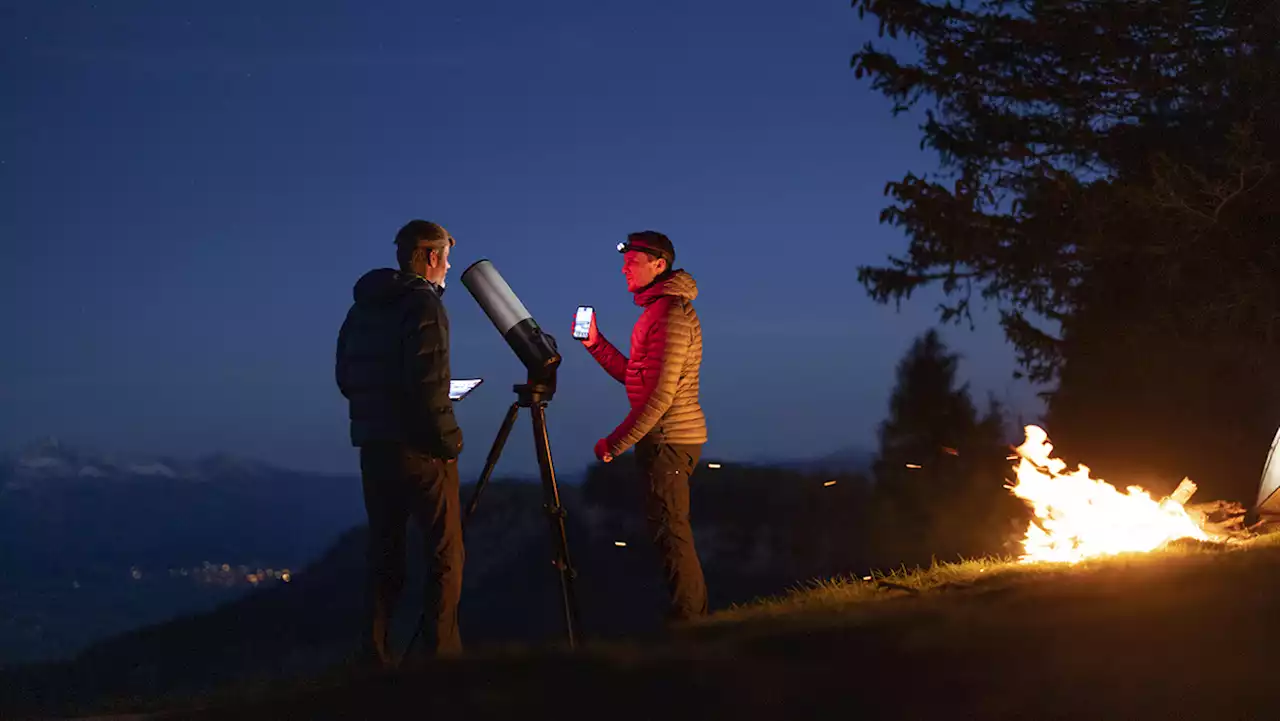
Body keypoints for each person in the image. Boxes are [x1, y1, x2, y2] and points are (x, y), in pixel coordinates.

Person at [336, 219, 465, 665]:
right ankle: (441, 656)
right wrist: (450, 441)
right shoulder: (425, 306)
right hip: (420, 449)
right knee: (445, 552)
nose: (448, 267)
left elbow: (345, 378)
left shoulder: (361, 309)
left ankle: (373, 654)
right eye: (446, 258)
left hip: (374, 447)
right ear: (430, 257)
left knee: (385, 552)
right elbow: (430, 388)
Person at [577, 230, 710, 623]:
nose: (624, 269)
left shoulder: (670, 315)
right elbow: (637, 376)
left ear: (659, 264)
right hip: (665, 438)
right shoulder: (657, 312)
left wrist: (613, 444)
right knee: (667, 531)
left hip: (669, 440)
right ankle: (691, 616)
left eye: (632, 262)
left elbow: (658, 398)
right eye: (623, 263)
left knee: (672, 532)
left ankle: (692, 620)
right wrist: (596, 343)